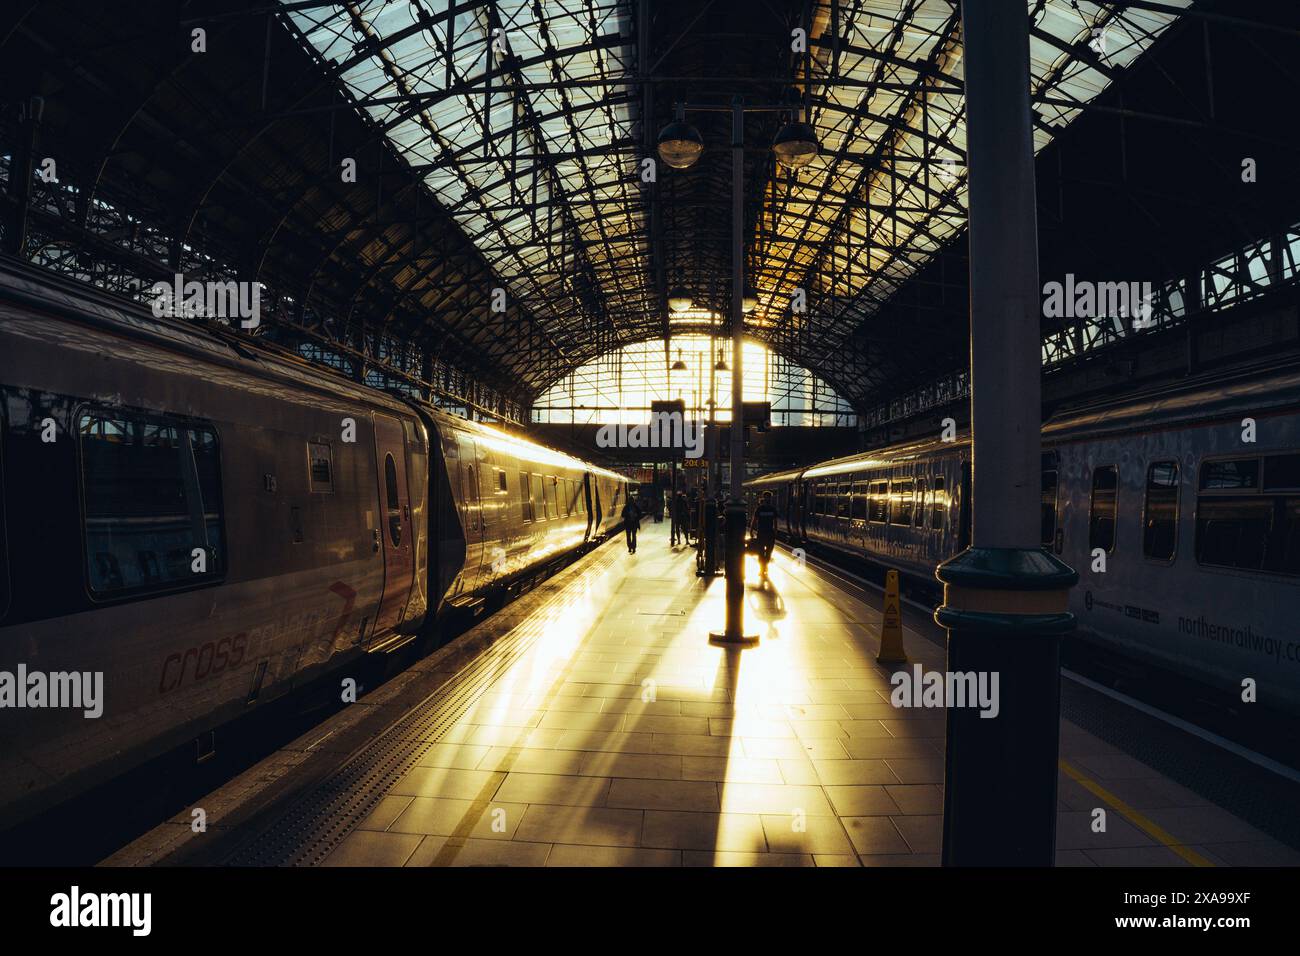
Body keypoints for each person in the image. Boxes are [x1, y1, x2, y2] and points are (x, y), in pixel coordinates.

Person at [750, 491, 780, 578]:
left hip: (768, 533)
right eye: (766, 497)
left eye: (768, 497)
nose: (767, 499)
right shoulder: (760, 509)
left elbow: (775, 521)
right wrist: (751, 530)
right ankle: (762, 568)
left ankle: (764, 567)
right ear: (764, 498)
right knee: (761, 553)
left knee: (768, 553)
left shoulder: (772, 509)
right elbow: (754, 520)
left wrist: (775, 531)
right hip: (762, 533)